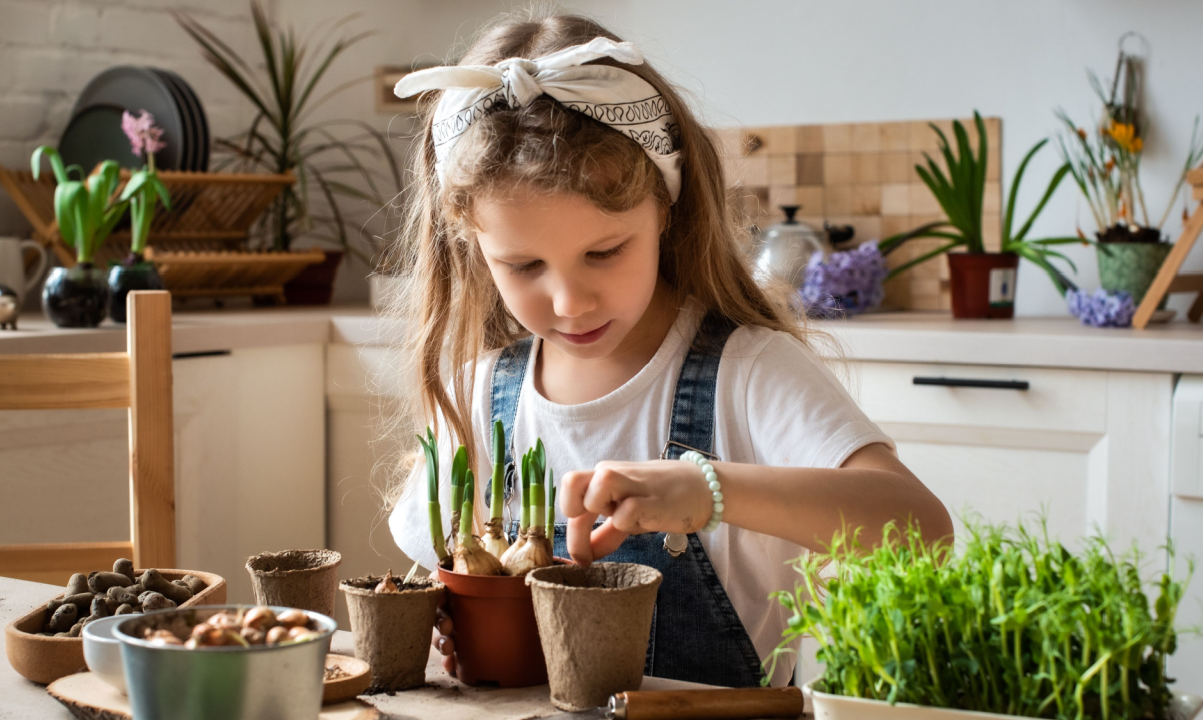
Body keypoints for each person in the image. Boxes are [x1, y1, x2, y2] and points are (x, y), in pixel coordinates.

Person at [385, 13, 952, 688]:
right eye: (523, 265)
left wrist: (711, 491)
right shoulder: (479, 392)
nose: (568, 302)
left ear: (667, 208)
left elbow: (922, 528)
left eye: (604, 252)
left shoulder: (747, 372)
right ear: (472, 248)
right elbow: (434, 585)